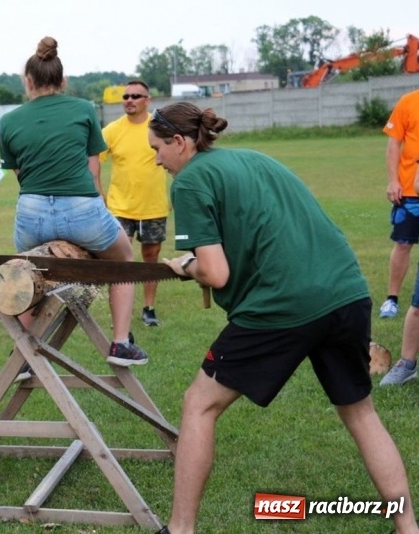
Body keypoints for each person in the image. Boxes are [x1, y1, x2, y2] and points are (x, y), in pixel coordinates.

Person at [150, 102, 419, 534]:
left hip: (283, 305)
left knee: (198, 405)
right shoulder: (252, 158)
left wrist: (186, 267)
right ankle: (409, 529)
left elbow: (215, 273)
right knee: (361, 413)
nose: (157, 159)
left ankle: (180, 530)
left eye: (158, 148)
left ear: (180, 142)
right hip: (346, 291)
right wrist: (200, 260)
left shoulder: (190, 181)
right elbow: (259, 233)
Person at [0, 36, 148, 368]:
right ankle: (121, 343)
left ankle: (25, 355)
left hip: (32, 209)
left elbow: (19, 174)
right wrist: (98, 206)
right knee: (123, 259)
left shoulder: (8, 121)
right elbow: (92, 166)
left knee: (27, 273)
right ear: (62, 81)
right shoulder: (82, 109)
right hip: (81, 206)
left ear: (28, 81)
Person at [98, 80, 170, 327]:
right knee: (119, 260)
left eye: (135, 96)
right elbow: (93, 161)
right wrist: (99, 194)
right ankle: (120, 311)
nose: (129, 100)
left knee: (151, 256)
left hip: (153, 205)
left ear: (147, 100)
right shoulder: (111, 130)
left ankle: (149, 308)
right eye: (126, 96)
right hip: (120, 207)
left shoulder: (159, 128)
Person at [379, 89, 419, 319]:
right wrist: (393, 180)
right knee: (403, 243)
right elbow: (394, 143)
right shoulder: (408, 101)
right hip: (410, 192)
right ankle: (391, 299)